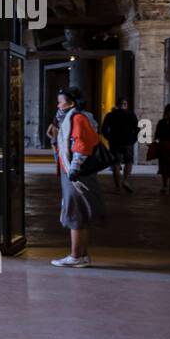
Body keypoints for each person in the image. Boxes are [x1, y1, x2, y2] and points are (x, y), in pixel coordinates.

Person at [49, 86, 104, 268]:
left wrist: (74, 169)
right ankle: (82, 254)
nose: (58, 105)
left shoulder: (78, 118)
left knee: (75, 212)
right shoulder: (70, 118)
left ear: (71, 103)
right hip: (72, 171)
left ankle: (76, 256)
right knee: (76, 211)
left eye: (60, 102)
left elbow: (82, 145)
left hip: (76, 173)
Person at [100, 98, 140, 193]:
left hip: (115, 142)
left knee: (116, 164)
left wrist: (109, 138)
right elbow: (137, 129)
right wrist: (133, 139)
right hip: (128, 142)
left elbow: (104, 129)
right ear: (126, 105)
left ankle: (118, 187)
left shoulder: (110, 115)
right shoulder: (131, 115)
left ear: (116, 105)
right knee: (128, 161)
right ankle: (125, 180)